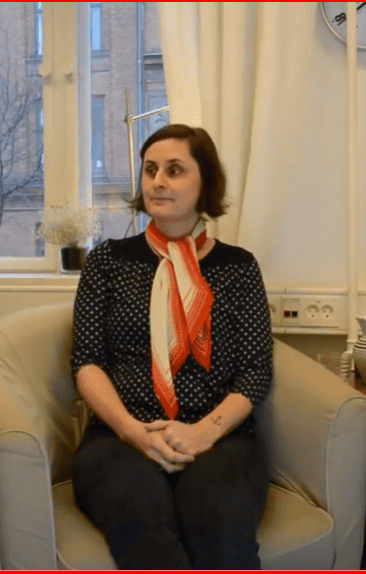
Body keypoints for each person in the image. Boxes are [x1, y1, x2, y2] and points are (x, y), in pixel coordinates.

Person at [71, 123, 273, 569]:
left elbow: (256, 370)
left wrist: (203, 432)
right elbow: (86, 361)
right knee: (141, 521)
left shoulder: (239, 267)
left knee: (220, 523)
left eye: (174, 170)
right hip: (119, 438)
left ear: (206, 182)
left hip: (219, 438)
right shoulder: (107, 261)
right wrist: (130, 429)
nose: (157, 181)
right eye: (150, 170)